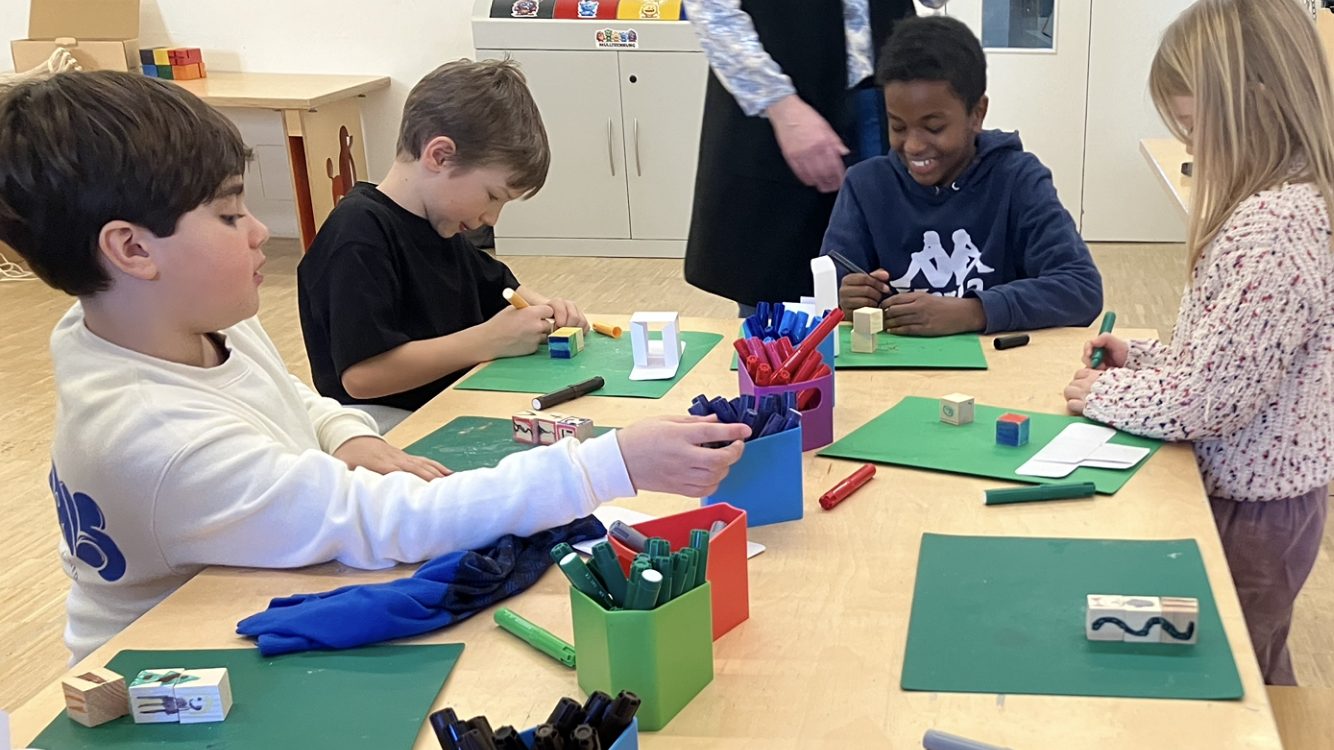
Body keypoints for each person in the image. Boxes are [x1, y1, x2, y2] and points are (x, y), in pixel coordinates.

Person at [0, 71, 750, 662]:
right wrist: (612, 463)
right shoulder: (157, 440)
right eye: (230, 214)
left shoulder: (162, 323)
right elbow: (391, 522)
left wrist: (348, 437)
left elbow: (290, 396)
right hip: (178, 660)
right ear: (132, 249)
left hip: (239, 594)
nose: (261, 232)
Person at [1064, 0, 1333, 685]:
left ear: (1257, 105)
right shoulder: (1280, 203)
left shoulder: (1274, 226)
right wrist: (1143, 357)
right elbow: (1230, 351)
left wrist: (1106, 394)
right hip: (1263, 495)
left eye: (1193, 127)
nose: (1189, 147)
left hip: (1256, 509)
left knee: (1231, 673)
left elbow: (1212, 400)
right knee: (1244, 654)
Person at [299, 60, 587, 432]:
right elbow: (362, 377)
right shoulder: (357, 235)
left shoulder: (441, 226)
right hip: (384, 427)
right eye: (492, 196)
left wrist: (551, 310)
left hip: (448, 406)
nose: (492, 218)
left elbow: (505, 291)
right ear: (439, 156)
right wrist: (488, 340)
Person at [826, 15, 1102, 336]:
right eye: (898, 126)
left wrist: (975, 312)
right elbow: (828, 286)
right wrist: (843, 298)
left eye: (934, 127)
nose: (913, 145)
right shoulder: (864, 185)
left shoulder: (1018, 179)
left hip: (997, 364)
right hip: (892, 365)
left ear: (977, 114)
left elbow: (1081, 288)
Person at [681, 0, 917, 315]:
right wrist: (781, 106)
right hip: (782, 108)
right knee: (778, 301)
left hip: (885, 103)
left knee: (892, 286)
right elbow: (712, 11)